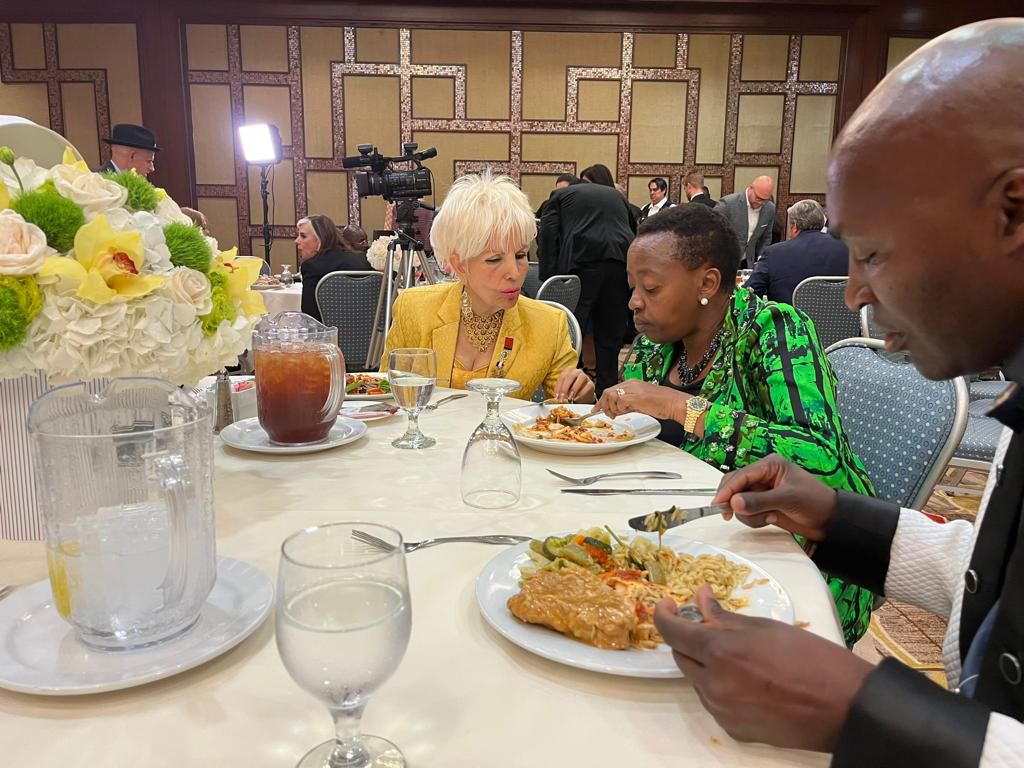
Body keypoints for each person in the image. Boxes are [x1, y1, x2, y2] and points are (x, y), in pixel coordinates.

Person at [651, 18, 1024, 764]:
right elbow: (996, 583)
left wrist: (860, 710)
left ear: (1012, 211)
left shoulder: (771, 329)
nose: (851, 292)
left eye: (872, 253)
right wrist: (839, 517)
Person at [595, 203, 875, 646]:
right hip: (690, 533)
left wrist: (682, 407)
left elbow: (820, 457)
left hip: (788, 556)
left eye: (650, 288)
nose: (634, 302)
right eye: (633, 287)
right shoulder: (658, 345)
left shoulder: (775, 331)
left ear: (707, 283)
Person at [382, 172, 594, 403]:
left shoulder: (549, 324)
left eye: (521, 255)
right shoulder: (414, 308)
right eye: (494, 259)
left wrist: (581, 395)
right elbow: (386, 396)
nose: (514, 273)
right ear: (459, 265)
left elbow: (565, 410)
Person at [539, 165, 635, 395]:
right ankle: (608, 394)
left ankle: (565, 392)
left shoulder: (559, 196)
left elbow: (548, 233)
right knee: (610, 337)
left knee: (571, 332)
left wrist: (550, 277)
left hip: (582, 264)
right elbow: (633, 228)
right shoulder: (616, 196)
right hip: (620, 263)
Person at [744, 199, 849, 304]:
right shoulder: (848, 249)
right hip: (840, 314)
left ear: (794, 226)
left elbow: (748, 295)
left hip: (790, 314)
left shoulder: (774, 253)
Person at [296, 214, 372, 322]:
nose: (296, 241)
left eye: (303, 236)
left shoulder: (312, 266)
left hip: (329, 331)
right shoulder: (365, 260)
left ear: (320, 238)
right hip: (370, 330)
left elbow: (310, 318)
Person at [714, 175, 775, 268]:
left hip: (749, 263)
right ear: (750, 188)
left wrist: (761, 257)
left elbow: (766, 237)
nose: (760, 203)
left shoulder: (769, 208)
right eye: (758, 198)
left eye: (764, 200)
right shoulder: (727, 204)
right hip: (725, 262)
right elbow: (713, 232)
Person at [93, 124, 158, 178]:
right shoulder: (94, 181)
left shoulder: (138, 184)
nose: (152, 168)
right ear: (131, 156)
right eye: (148, 161)